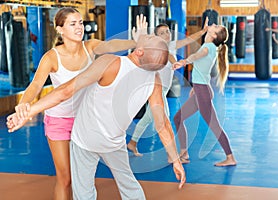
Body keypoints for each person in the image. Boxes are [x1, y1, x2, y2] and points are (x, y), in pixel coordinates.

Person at [7, 34, 185, 200]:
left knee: (84, 192)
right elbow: (162, 125)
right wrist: (175, 160)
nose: (147, 35)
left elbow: (66, 91)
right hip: (113, 143)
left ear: (139, 51)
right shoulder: (154, 81)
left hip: (85, 140)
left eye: (148, 37)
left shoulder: (111, 62)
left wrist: (28, 111)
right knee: (130, 187)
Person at [12, 7, 147, 200]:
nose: (79, 27)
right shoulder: (52, 57)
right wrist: (24, 104)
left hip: (86, 121)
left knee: (82, 180)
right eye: (73, 24)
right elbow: (35, 85)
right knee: (65, 178)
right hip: (59, 121)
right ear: (60, 29)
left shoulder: (90, 47)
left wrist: (136, 41)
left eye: (81, 23)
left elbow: (112, 45)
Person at [127, 18, 210, 157]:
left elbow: (188, 40)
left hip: (164, 88)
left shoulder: (172, 45)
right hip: (155, 88)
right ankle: (172, 154)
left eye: (168, 31)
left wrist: (202, 31)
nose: (167, 34)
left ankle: (132, 143)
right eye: (163, 32)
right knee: (165, 118)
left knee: (148, 118)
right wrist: (174, 62)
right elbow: (169, 57)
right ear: (157, 36)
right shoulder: (154, 47)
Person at [172, 24, 237, 166]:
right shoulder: (210, 46)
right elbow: (203, 70)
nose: (214, 24)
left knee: (214, 126)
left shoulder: (208, 48)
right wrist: (195, 88)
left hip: (203, 93)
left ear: (214, 35)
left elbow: (197, 56)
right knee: (178, 119)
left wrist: (184, 61)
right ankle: (184, 154)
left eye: (216, 26)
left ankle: (230, 157)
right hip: (201, 90)